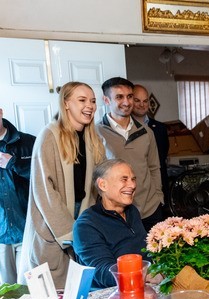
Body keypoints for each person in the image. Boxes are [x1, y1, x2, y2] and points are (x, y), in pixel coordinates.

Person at [19, 82, 105, 288]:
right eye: (82, 100)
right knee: (53, 293)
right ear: (66, 104)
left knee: (80, 291)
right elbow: (44, 190)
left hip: (83, 216)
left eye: (93, 101)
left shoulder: (94, 139)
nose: (90, 106)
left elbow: (99, 184)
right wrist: (71, 232)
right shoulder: (49, 136)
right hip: (52, 221)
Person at [97, 77, 164, 232]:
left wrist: (159, 198)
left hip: (150, 210)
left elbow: (154, 167)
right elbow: (94, 175)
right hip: (116, 213)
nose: (127, 103)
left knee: (155, 255)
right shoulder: (95, 133)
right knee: (125, 256)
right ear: (106, 100)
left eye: (129, 97)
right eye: (119, 97)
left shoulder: (147, 132)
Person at [73, 159, 147, 288]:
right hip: (111, 292)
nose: (132, 185)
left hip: (143, 283)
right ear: (103, 185)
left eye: (133, 179)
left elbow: (146, 252)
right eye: (124, 179)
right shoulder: (86, 225)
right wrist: (146, 274)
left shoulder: (132, 211)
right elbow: (104, 273)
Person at [0, 109, 35, 285]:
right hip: (1, 235)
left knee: (30, 291)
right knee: (5, 294)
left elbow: (44, 178)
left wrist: (13, 163)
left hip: (28, 230)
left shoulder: (29, 142)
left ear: (0, 113)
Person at [132, 84, 170, 211]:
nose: (142, 105)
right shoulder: (124, 129)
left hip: (157, 188)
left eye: (145, 101)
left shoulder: (160, 128)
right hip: (135, 189)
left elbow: (162, 158)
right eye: (137, 100)